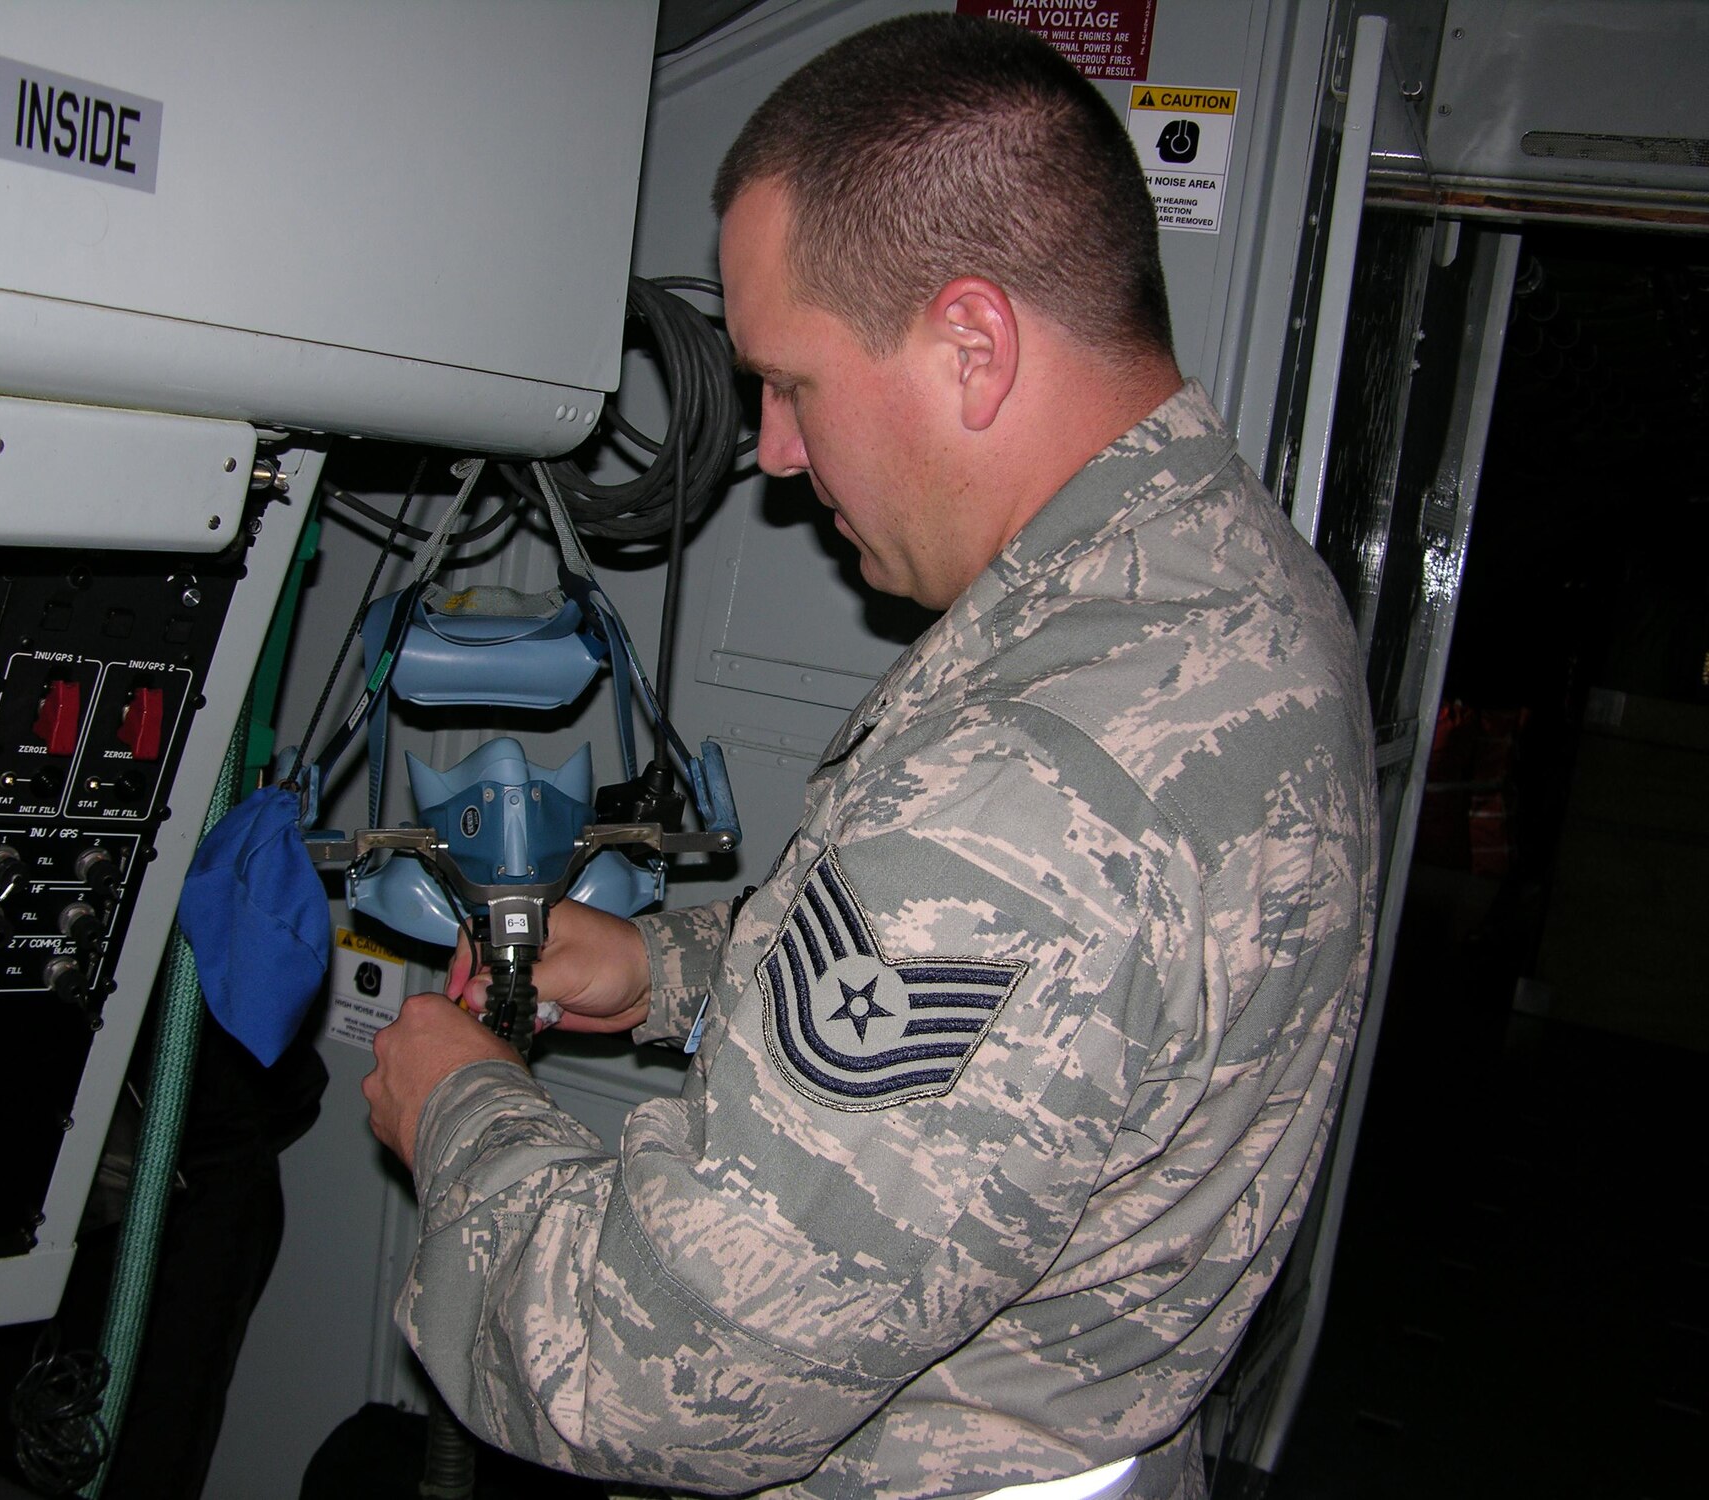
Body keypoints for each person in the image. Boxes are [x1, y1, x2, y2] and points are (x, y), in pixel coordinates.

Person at [361, 14, 1377, 1499]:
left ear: (972, 344)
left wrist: (457, 1105)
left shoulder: (1029, 785)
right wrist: (670, 972)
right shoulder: (1235, 591)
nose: (770, 451)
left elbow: (637, 1373)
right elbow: (1056, 1037)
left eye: (794, 384)